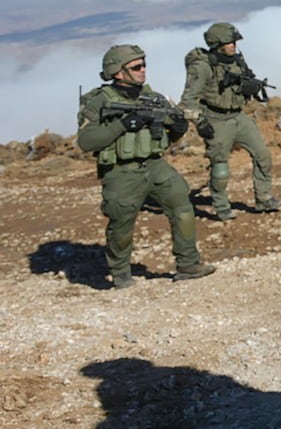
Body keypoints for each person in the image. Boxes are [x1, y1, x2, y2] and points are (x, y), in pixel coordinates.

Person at [78, 45, 214, 288]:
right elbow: (86, 142)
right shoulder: (100, 101)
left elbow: (167, 137)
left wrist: (179, 128)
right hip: (121, 172)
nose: (143, 71)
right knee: (122, 222)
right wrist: (123, 125)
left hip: (155, 164)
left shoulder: (153, 98)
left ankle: (188, 264)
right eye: (136, 67)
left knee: (181, 205)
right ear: (117, 73)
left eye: (143, 65)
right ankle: (120, 273)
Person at [180, 22, 280, 220]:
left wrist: (249, 87)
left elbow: (244, 79)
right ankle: (221, 206)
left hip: (238, 116)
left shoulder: (235, 60)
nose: (234, 45)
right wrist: (200, 122)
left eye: (234, 41)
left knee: (263, 156)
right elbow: (187, 101)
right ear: (217, 44)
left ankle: (264, 198)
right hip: (215, 119)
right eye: (229, 42)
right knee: (220, 167)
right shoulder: (203, 66)